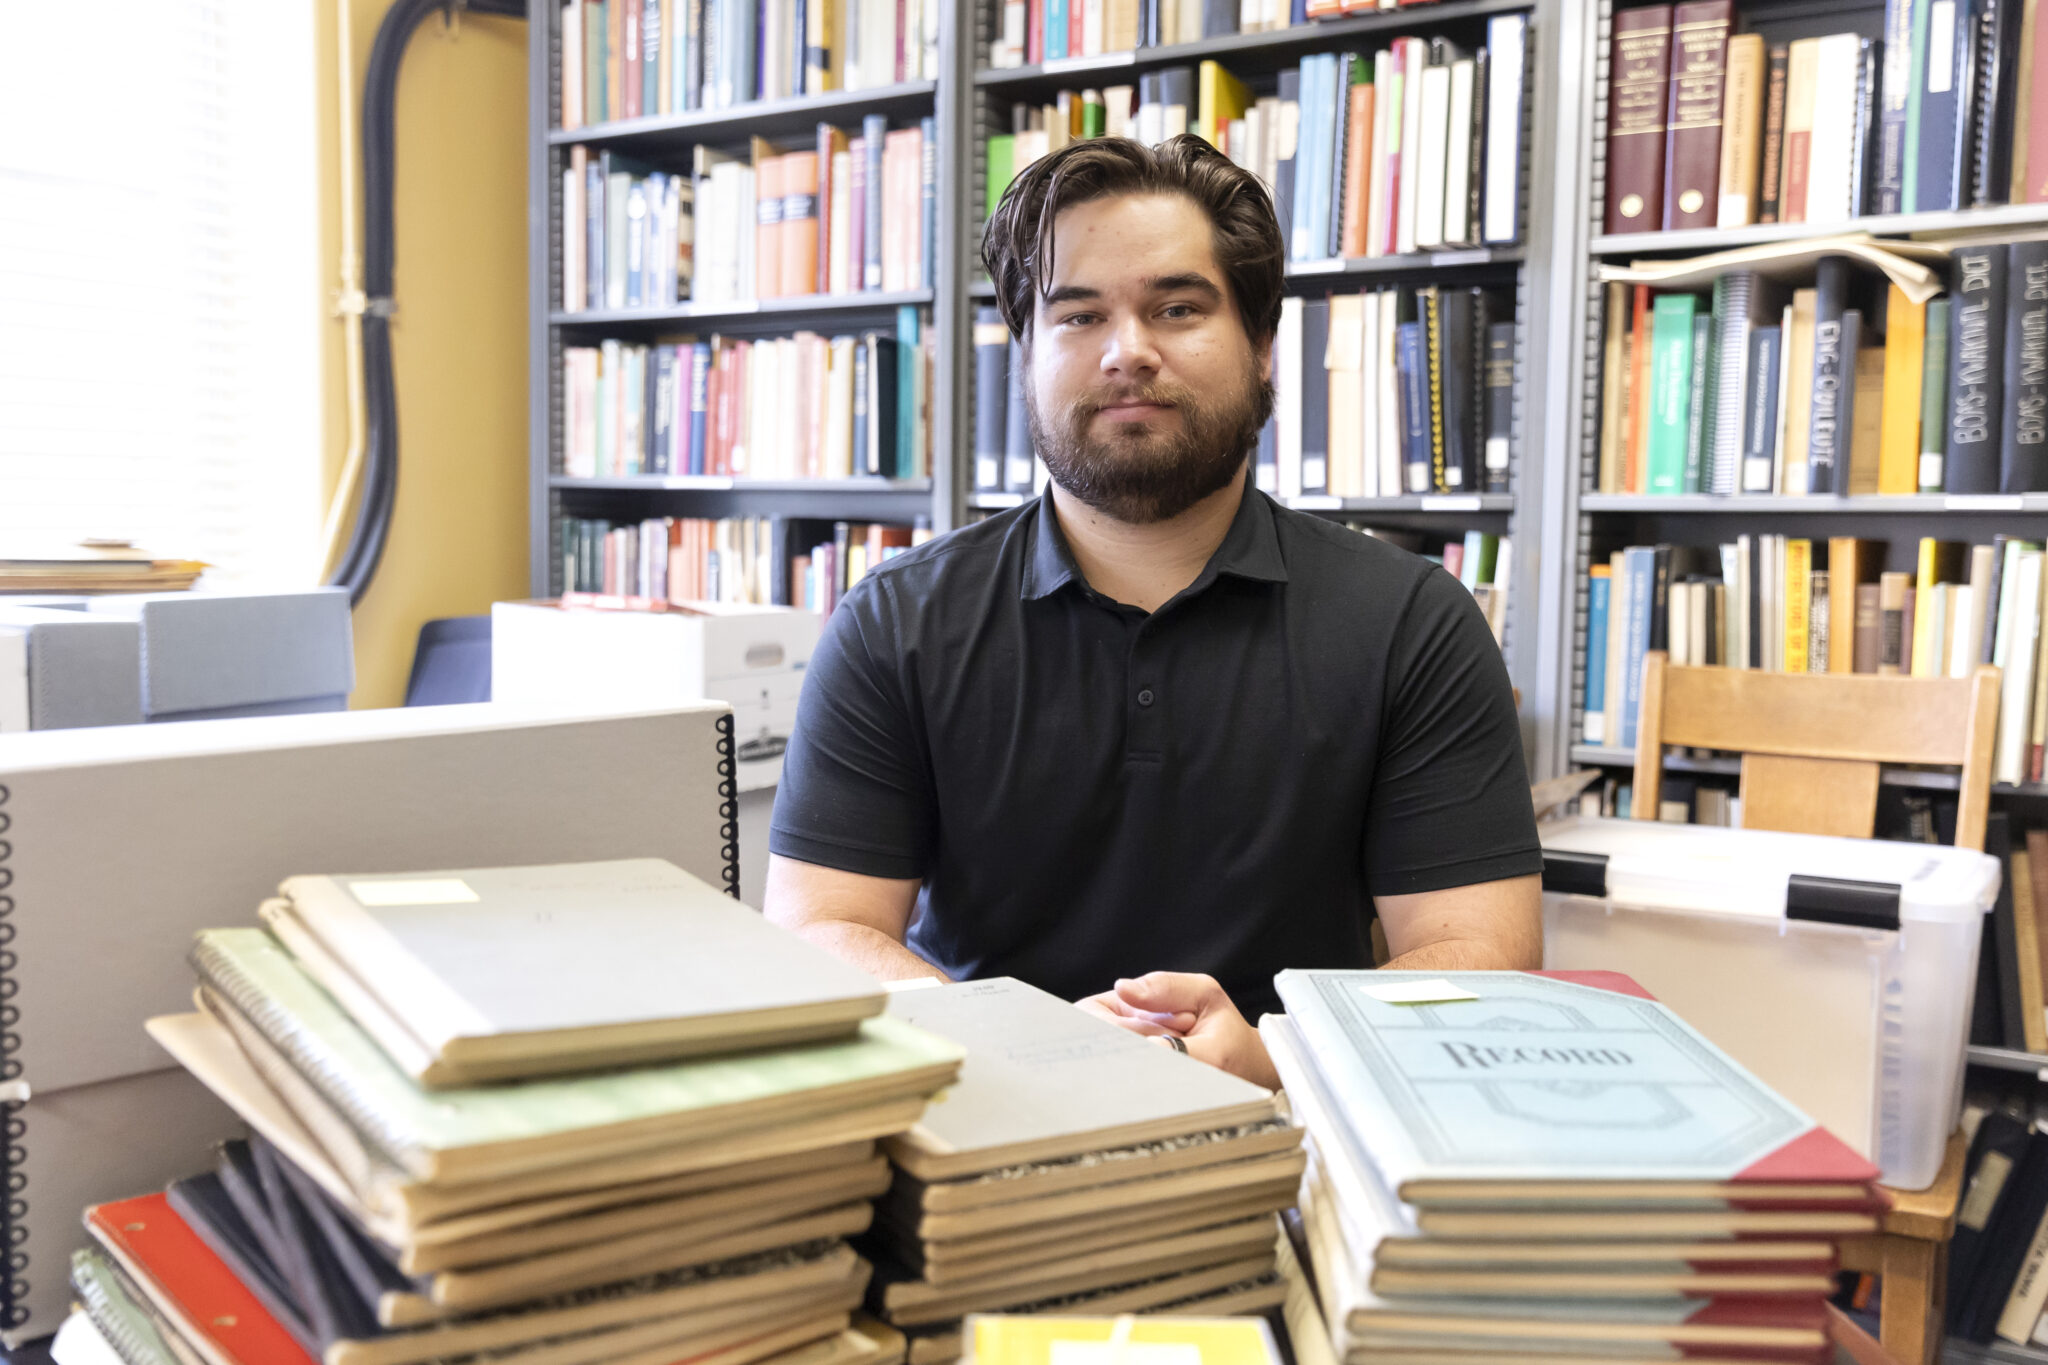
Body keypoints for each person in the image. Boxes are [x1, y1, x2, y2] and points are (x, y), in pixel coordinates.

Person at [762, 134, 1542, 1089]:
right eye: (1078, 315)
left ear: (1262, 349)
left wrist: (1279, 1053)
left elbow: (1481, 949)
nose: (1127, 351)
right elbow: (817, 930)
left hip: (1298, 1126)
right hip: (981, 1120)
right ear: (1027, 356)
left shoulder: (1413, 622)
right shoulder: (895, 623)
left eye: (1177, 308)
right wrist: (1017, 1044)